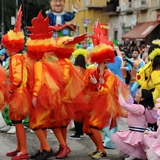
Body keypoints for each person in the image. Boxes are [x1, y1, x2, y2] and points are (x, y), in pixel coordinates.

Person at [26, 11, 63, 160]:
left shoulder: (39, 65)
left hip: (41, 96)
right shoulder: (45, 63)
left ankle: (46, 149)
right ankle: (42, 150)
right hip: (46, 96)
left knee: (35, 125)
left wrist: (35, 95)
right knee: (41, 124)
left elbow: (40, 81)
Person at [49, 34, 87, 159]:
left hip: (61, 98)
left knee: (54, 123)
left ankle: (64, 146)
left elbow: (64, 80)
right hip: (65, 98)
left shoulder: (63, 63)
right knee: (63, 124)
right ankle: (62, 147)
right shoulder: (66, 62)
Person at [2, 6, 31, 160]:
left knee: (18, 122)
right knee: (16, 122)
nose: (5, 49)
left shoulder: (15, 59)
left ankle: (24, 151)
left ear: (11, 46)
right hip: (18, 93)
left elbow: (17, 79)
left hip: (18, 94)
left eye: (6, 47)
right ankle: (19, 148)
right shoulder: (18, 57)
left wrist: (10, 90)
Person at [111, 89, 156, 160]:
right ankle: (132, 154)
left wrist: (120, 94)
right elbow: (127, 114)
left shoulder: (140, 107)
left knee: (133, 144)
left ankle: (134, 154)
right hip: (133, 132)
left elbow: (124, 105)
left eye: (138, 93)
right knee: (122, 154)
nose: (136, 94)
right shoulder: (138, 107)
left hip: (137, 133)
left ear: (142, 98)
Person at [69, 48, 89, 140]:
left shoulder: (75, 70)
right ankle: (81, 132)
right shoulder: (86, 71)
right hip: (85, 95)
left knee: (76, 114)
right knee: (81, 115)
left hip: (76, 94)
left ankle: (78, 133)